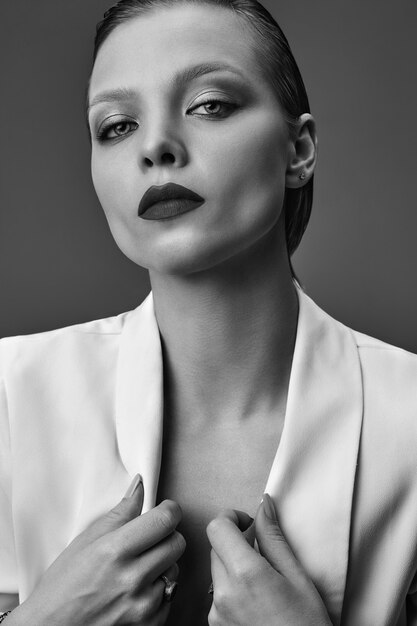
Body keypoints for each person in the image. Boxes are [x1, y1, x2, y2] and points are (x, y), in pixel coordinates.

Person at [1, 0, 417, 624]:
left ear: (299, 150)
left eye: (208, 106)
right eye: (115, 125)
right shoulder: (7, 394)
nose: (157, 145)